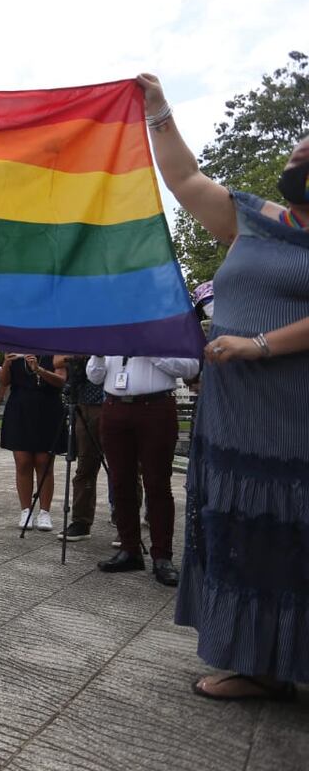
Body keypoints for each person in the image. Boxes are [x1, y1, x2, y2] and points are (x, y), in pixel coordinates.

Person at [140, 72, 309, 700]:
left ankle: (275, 665)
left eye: (304, 155)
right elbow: (185, 180)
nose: (293, 157)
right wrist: (159, 111)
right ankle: (254, 661)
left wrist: (258, 345)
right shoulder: (257, 219)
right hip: (234, 412)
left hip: (291, 419)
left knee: (283, 528)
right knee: (235, 525)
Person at [86, 355, 197, 587]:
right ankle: (130, 549)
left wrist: (151, 350)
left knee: (157, 483)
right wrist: (97, 355)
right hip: (115, 406)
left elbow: (190, 367)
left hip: (155, 407)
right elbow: (94, 377)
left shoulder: (167, 325)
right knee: (120, 482)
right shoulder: (113, 329)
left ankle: (162, 556)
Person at [0, 353, 67, 531]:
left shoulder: (53, 350)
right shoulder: (16, 351)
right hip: (20, 408)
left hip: (47, 407)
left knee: (44, 463)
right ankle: (25, 510)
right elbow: (4, 380)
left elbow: (61, 381)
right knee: (23, 462)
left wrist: (39, 370)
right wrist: (7, 361)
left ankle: (44, 512)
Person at [56, 355, 105, 543]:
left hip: (116, 400)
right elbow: (59, 360)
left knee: (124, 469)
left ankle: (124, 524)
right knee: (85, 467)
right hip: (85, 404)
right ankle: (81, 521)